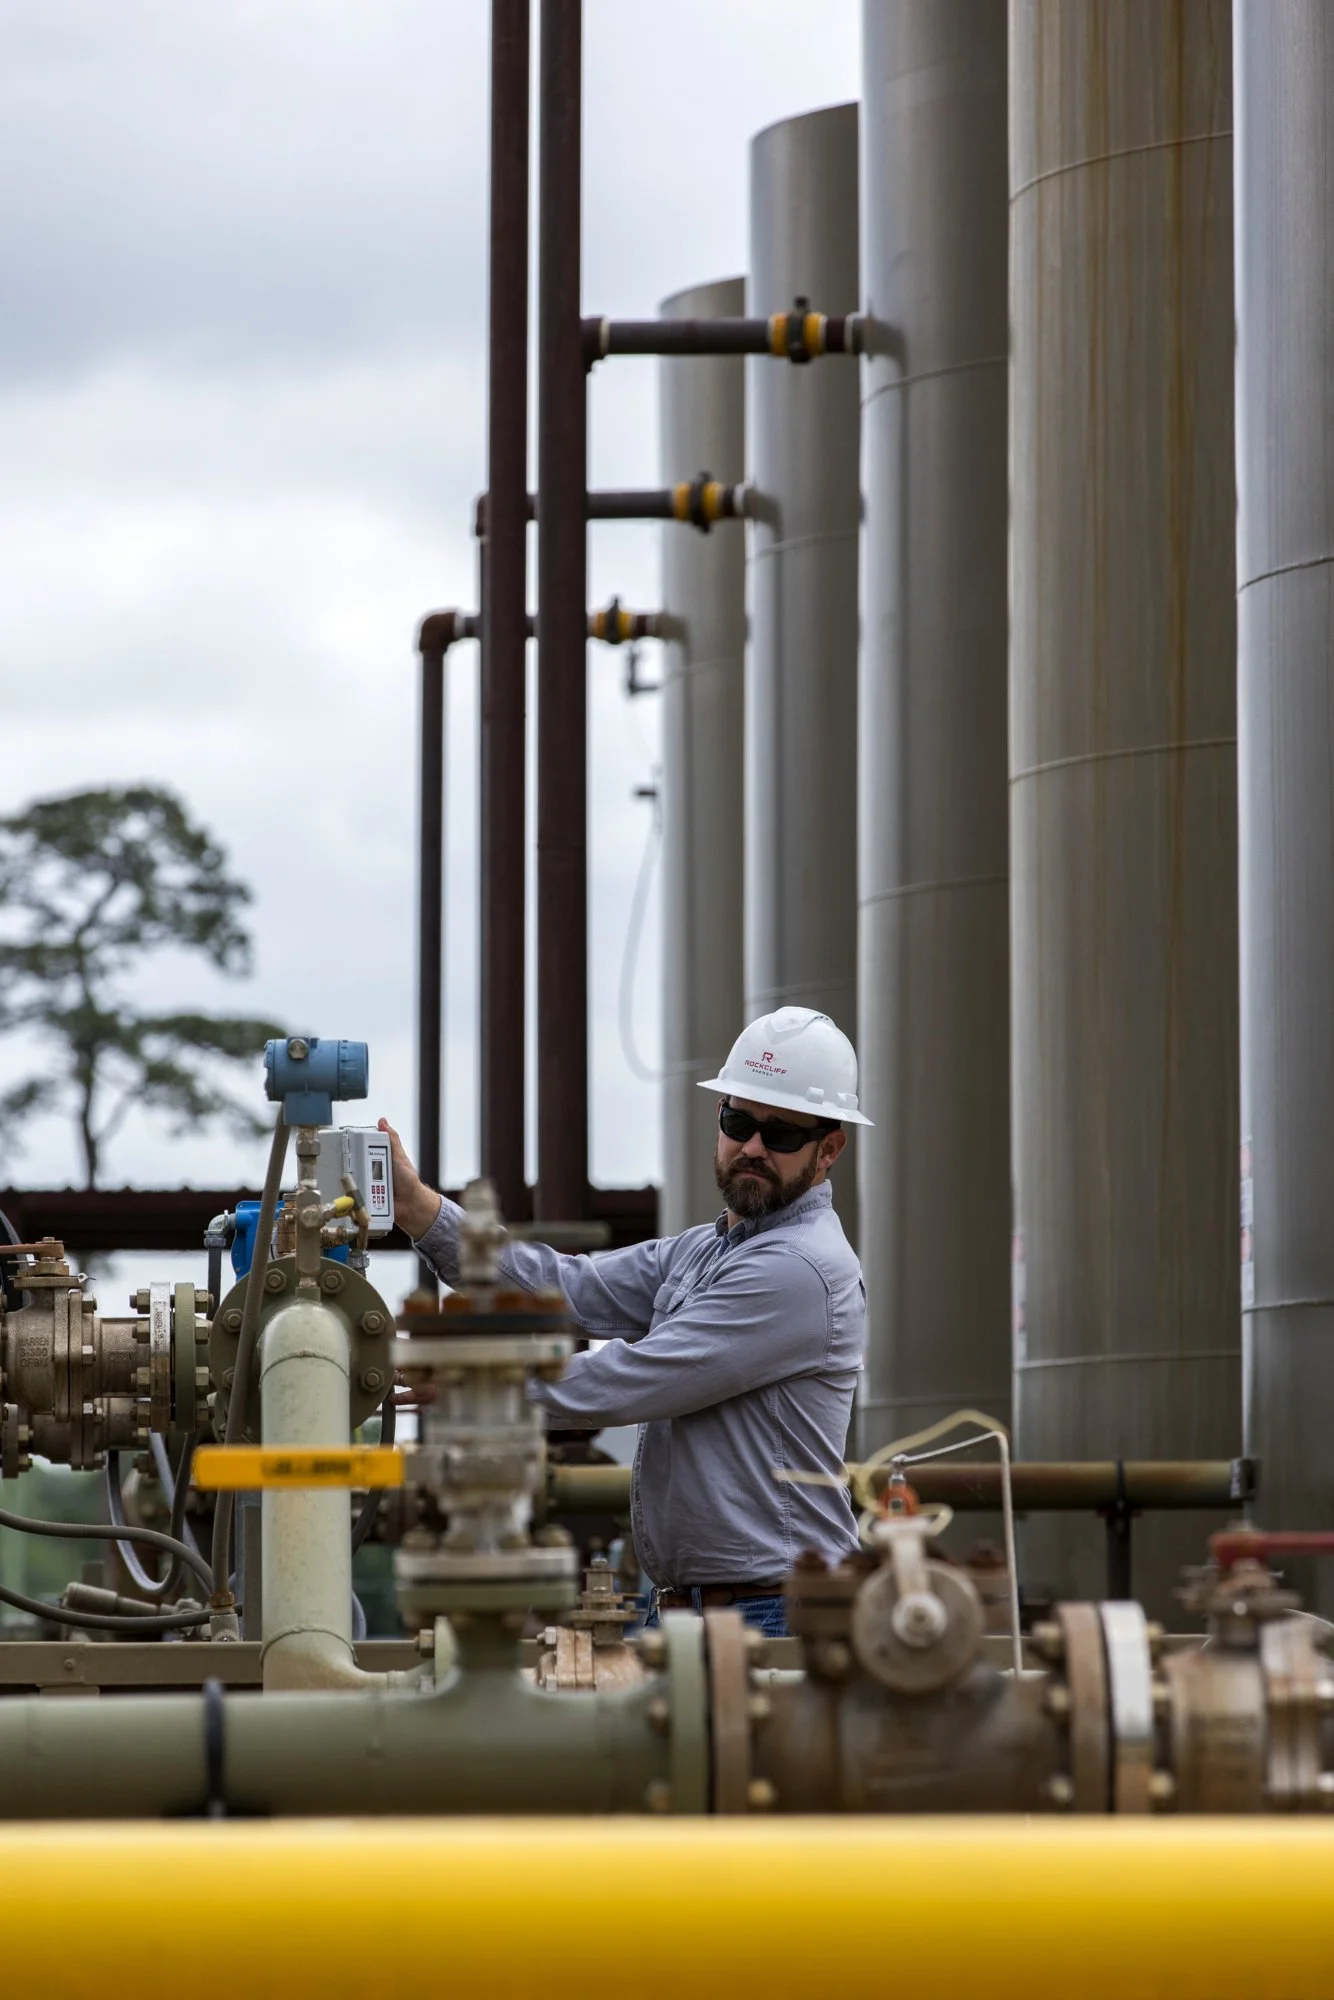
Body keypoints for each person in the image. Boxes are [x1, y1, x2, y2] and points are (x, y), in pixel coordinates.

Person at [381, 1005, 870, 1636]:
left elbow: (637, 1376)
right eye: (738, 1121)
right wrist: (422, 1210)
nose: (751, 1147)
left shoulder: (801, 1269)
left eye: (780, 1135)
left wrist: (479, 1384)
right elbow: (569, 1287)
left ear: (828, 1149)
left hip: (775, 1615)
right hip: (697, 1609)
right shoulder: (707, 1250)